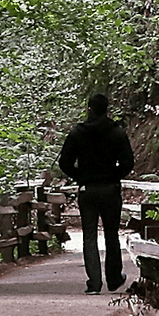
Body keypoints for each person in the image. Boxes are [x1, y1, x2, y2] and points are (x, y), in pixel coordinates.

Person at [58, 93, 135, 295]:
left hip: (88, 189)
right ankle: (114, 279)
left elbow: (64, 162)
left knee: (89, 235)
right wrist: (114, 176)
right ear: (107, 109)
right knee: (111, 233)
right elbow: (128, 162)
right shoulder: (117, 132)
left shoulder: (78, 132)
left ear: (89, 109)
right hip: (110, 189)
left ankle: (94, 283)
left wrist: (80, 176)